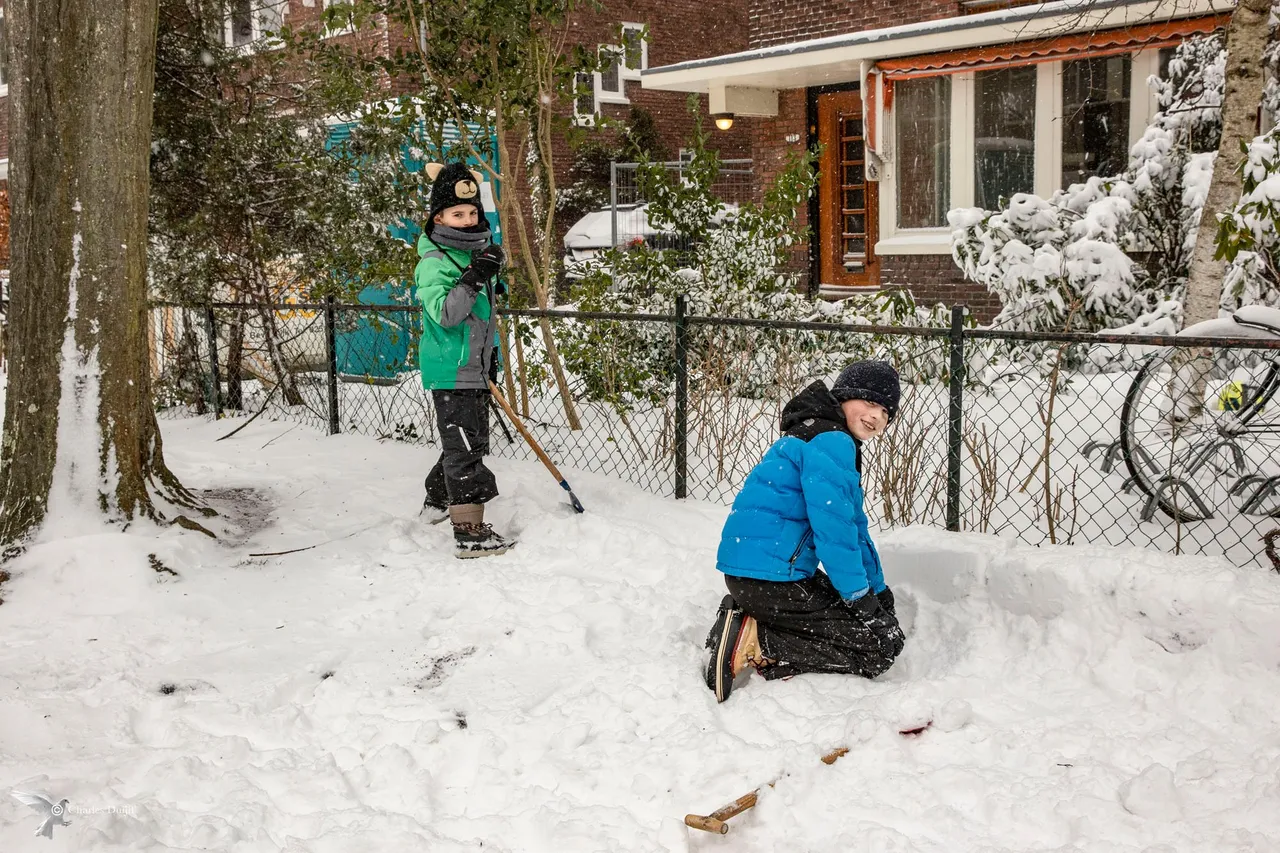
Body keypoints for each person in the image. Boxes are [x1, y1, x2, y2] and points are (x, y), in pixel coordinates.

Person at [703, 360, 907, 702]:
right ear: (845, 396)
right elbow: (835, 532)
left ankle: (749, 618)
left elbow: (854, 528)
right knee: (879, 649)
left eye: (886, 412)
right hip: (771, 579)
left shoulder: (818, 433)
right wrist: (861, 600)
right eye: (870, 403)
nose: (877, 417)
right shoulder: (833, 441)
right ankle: (755, 640)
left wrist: (878, 591)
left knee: (869, 626)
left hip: (757, 575)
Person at [415, 161, 513, 558]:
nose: (468, 220)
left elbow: (481, 320)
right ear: (439, 217)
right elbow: (446, 314)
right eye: (458, 214)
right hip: (451, 371)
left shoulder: (472, 254)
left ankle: (437, 502)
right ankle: (469, 533)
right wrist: (473, 278)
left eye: (473, 213)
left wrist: (491, 360)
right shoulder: (435, 262)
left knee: (467, 442)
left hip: (474, 367)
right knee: (464, 450)